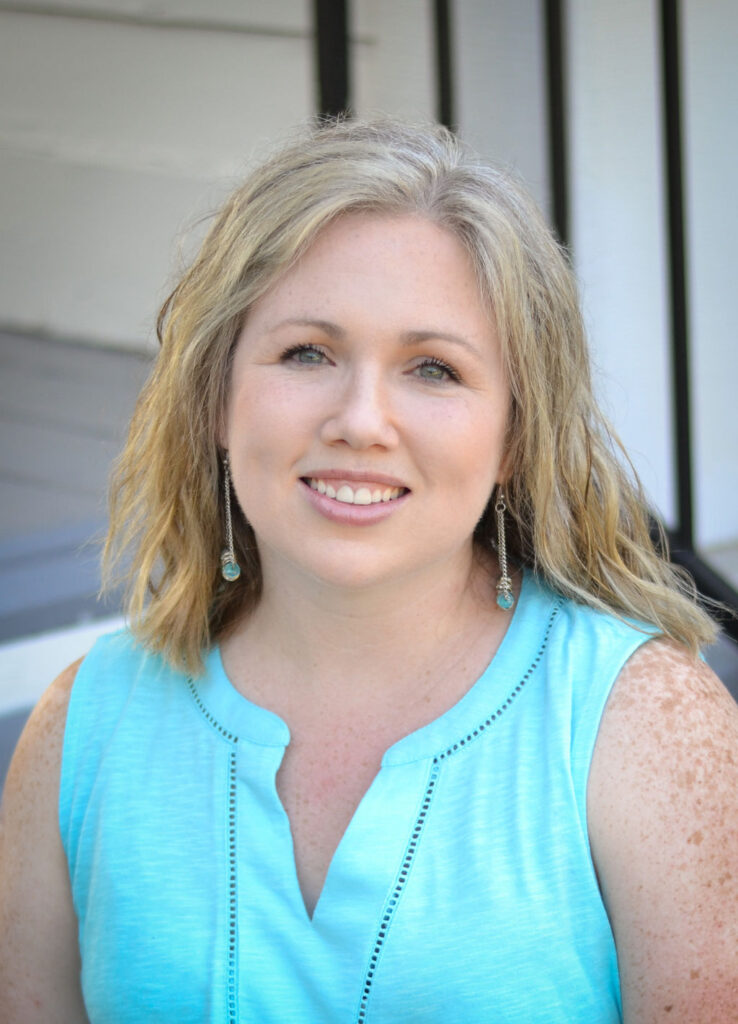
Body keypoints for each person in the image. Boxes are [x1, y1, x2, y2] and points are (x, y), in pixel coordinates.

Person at [1, 117, 736, 1023]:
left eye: (433, 368)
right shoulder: (85, 728)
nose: (361, 419)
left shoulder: (647, 726)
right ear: (218, 399)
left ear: (514, 435)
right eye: (307, 352)